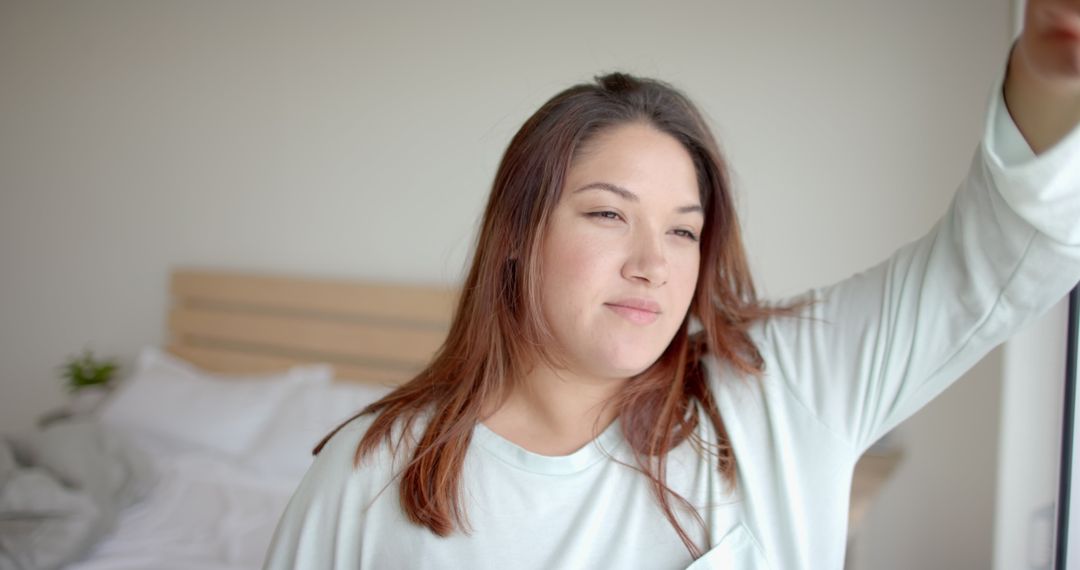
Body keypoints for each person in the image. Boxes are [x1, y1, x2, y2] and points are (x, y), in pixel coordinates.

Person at [264, 3, 1080, 568]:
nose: (654, 263)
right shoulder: (369, 479)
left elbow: (1003, 255)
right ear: (517, 236)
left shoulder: (784, 389)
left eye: (684, 230)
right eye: (608, 216)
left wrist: (1047, 70)